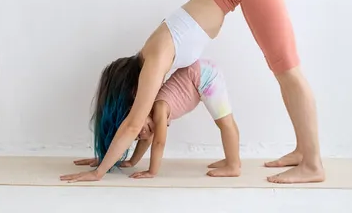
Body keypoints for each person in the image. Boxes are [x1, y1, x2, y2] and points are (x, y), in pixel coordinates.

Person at [60, 0, 323, 184]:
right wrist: (105, 156)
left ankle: (312, 165)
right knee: (284, 71)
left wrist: (98, 173)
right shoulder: (153, 51)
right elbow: (132, 125)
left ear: (128, 90)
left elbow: (132, 125)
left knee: (287, 71)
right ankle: (303, 150)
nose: (139, 106)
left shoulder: (153, 61)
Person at [73, 58, 241, 177]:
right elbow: (147, 139)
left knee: (225, 123)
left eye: (140, 129)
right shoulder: (150, 119)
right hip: (199, 73)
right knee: (224, 123)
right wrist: (132, 162)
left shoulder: (159, 109)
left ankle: (233, 165)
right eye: (138, 136)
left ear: (140, 113)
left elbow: (159, 142)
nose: (143, 133)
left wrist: (152, 171)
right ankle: (231, 159)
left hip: (204, 75)